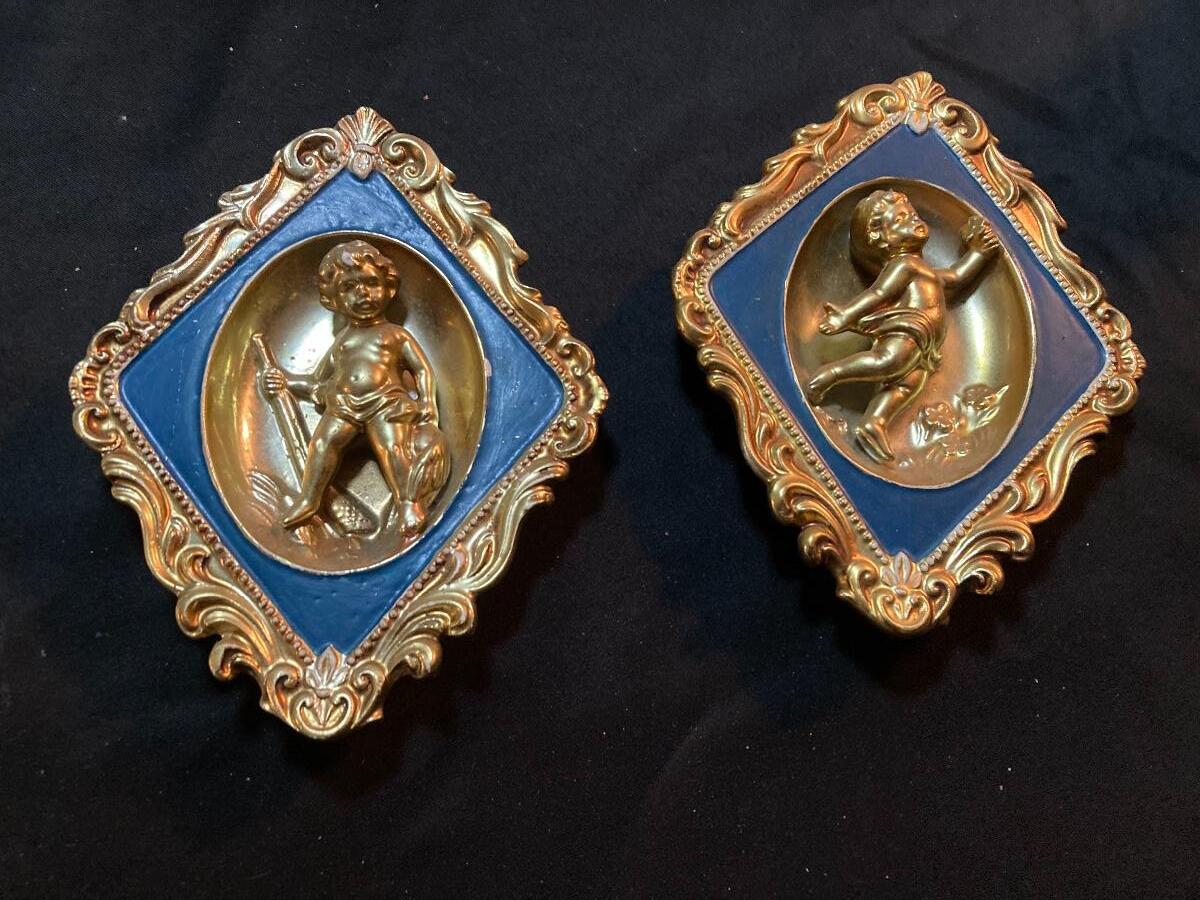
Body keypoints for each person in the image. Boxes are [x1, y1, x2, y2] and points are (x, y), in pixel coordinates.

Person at [262, 239, 450, 538]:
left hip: (386, 403)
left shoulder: (395, 335)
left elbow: (422, 370)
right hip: (345, 404)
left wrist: (428, 406)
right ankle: (310, 498)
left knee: (392, 448)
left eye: (371, 283)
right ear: (333, 300)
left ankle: (408, 503)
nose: (362, 293)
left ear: (389, 288)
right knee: (323, 443)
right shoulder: (343, 342)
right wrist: (285, 380)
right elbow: (315, 380)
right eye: (349, 287)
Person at [804, 189, 999, 462]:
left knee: (908, 384)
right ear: (883, 240)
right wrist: (846, 316)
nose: (912, 219)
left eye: (912, 214)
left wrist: (978, 252)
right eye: (900, 219)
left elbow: (956, 276)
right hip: (907, 330)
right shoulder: (903, 265)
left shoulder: (926, 269)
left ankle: (874, 421)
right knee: (886, 362)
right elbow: (878, 294)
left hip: (924, 343)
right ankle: (829, 375)